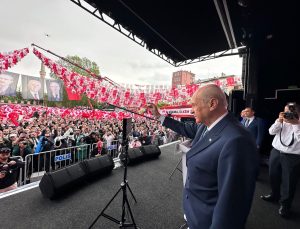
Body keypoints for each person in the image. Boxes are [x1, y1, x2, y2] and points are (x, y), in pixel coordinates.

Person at [147, 84, 259, 229]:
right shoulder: (206, 125)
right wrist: (159, 116)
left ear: (212, 104)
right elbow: (185, 128)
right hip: (196, 215)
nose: (191, 109)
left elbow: (232, 205)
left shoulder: (237, 141)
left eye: (194, 105)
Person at [261, 102, 300, 217]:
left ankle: (285, 205)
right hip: (276, 152)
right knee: (273, 176)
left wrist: (295, 124)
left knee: (289, 182)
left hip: (293, 156)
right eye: (285, 111)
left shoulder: (297, 123)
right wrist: (279, 121)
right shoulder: (282, 120)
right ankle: (274, 195)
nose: (287, 114)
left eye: (290, 112)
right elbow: (270, 132)